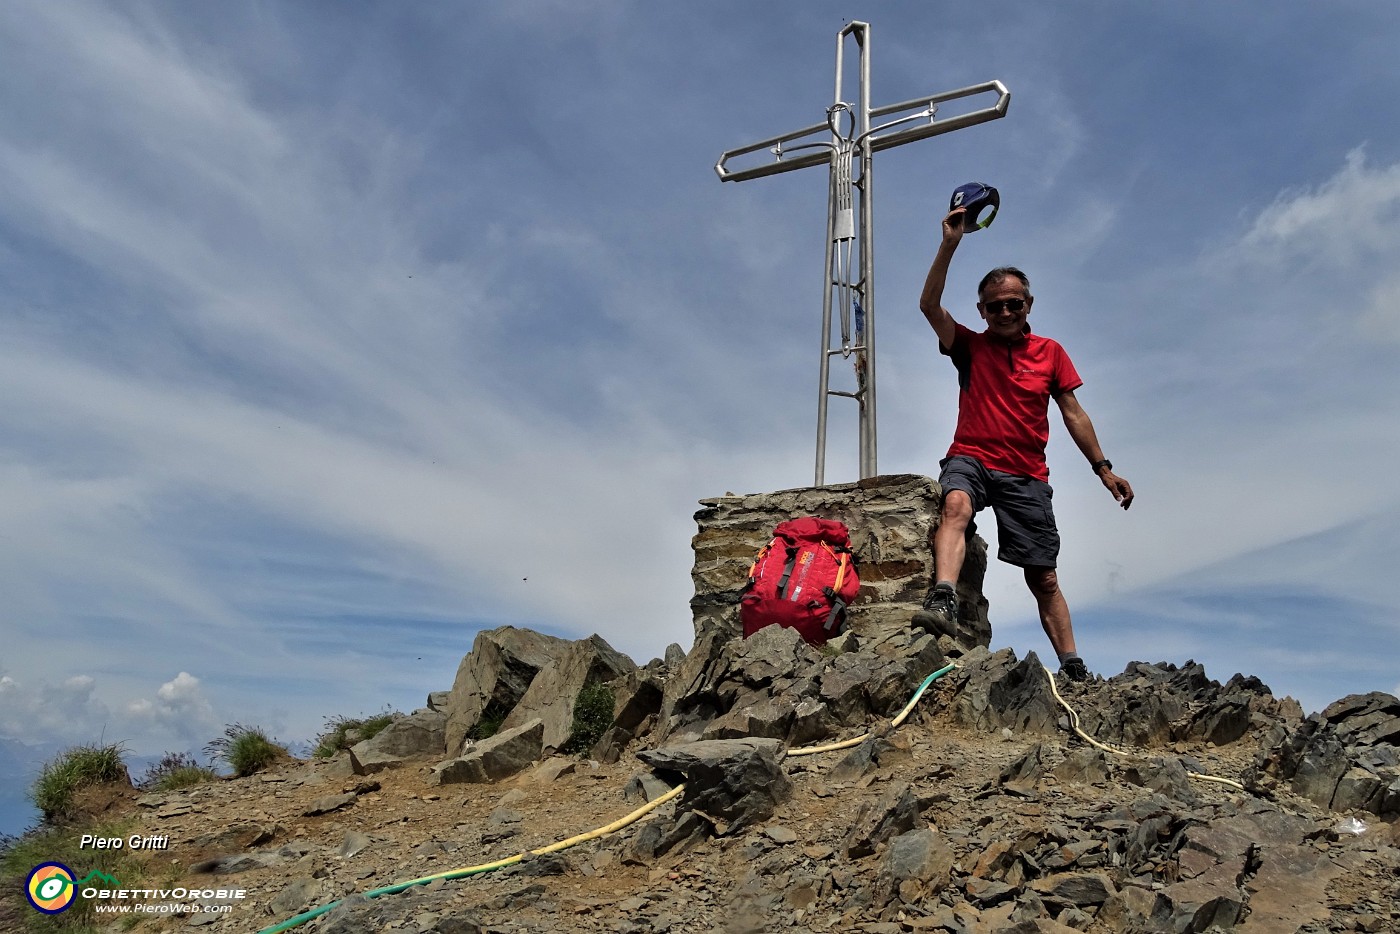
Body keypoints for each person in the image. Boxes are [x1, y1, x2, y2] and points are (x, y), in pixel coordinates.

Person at [912, 207, 1134, 682]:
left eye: (1014, 303)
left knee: (1045, 577)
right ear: (982, 311)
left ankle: (1073, 665)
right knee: (955, 505)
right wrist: (950, 244)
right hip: (971, 455)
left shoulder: (1050, 353)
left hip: (1027, 473)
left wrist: (1103, 468)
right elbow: (929, 307)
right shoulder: (969, 346)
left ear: (1029, 304)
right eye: (995, 306)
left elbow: (1073, 412)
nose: (1006, 312)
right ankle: (943, 596)